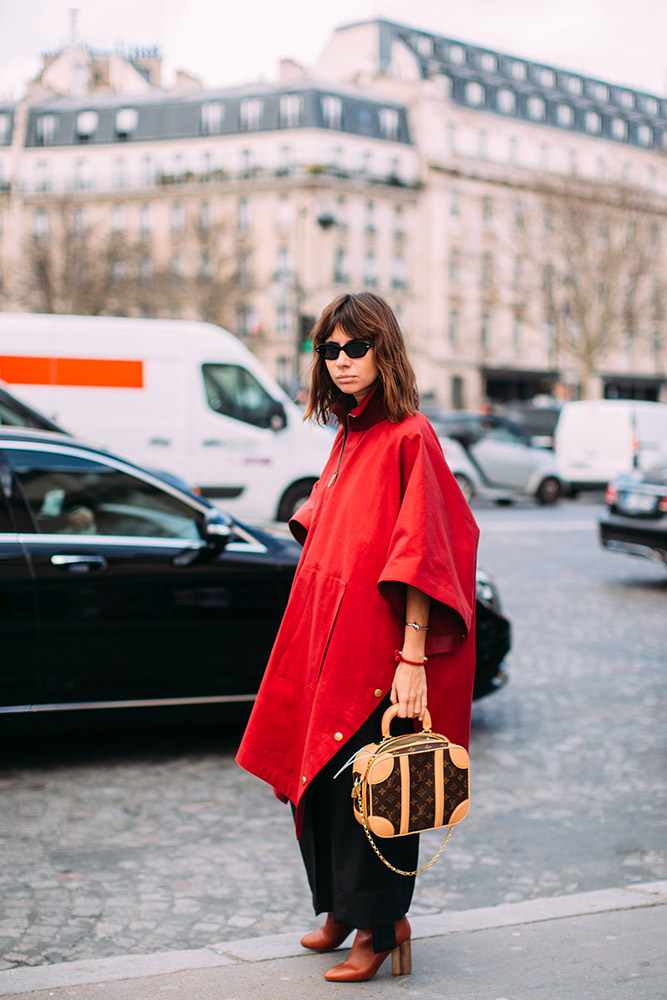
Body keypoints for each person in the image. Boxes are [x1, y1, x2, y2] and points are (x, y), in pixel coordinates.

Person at [236, 292, 479, 983]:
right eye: (330, 350)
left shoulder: (410, 436)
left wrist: (411, 658)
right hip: (325, 643)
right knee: (314, 782)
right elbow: (332, 526)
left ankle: (379, 929)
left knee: (374, 791)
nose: (341, 362)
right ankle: (339, 911)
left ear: (384, 351)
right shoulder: (348, 435)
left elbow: (422, 552)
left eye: (355, 348)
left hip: (378, 652)